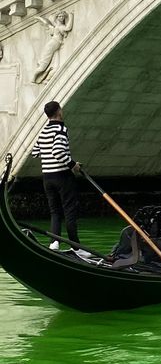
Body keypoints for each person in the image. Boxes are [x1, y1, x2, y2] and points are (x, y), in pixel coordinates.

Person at [31, 100, 88, 255]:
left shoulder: (43, 131)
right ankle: (76, 248)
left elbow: (35, 152)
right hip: (62, 176)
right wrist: (73, 165)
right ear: (58, 111)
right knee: (70, 212)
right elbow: (58, 151)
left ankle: (54, 243)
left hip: (47, 178)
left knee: (55, 212)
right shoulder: (61, 129)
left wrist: (47, 153)